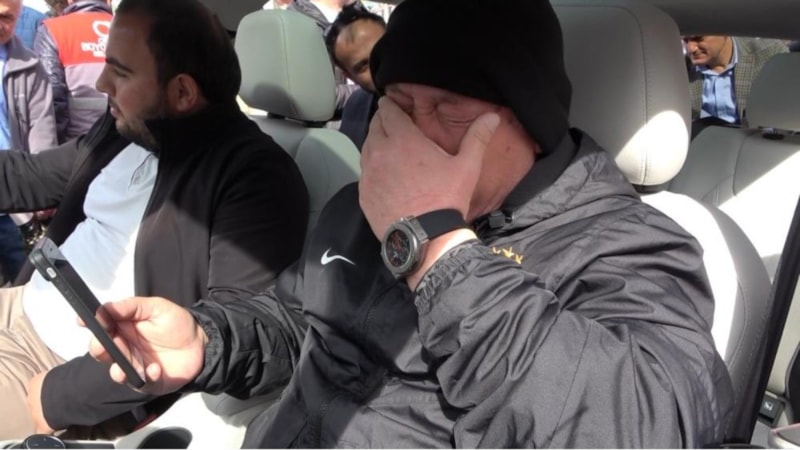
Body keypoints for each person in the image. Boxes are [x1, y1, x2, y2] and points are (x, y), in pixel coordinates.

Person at [90, 0, 733, 447]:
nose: (413, 139)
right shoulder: (363, 205)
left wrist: (440, 250)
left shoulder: (627, 247)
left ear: (532, 121)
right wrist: (209, 341)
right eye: (398, 105)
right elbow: (298, 319)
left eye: (449, 112)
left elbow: (647, 427)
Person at [0, 0, 309, 439]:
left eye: (120, 72)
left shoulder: (255, 177)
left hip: (52, 365)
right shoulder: (124, 128)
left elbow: (232, 324)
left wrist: (57, 395)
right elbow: (32, 175)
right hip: (20, 303)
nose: (101, 83)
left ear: (182, 92)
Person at [0, 0, 57, 287]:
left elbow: (42, 131)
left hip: (14, 206)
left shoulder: (30, 67)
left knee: (25, 287)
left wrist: (42, 191)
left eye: (7, 18)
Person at [33, 0, 113, 143]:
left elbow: (52, 95)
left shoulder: (54, 29)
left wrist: (58, 147)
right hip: (128, 143)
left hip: (79, 144)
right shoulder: (128, 29)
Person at [684, 35, 787, 127]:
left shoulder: (769, 54)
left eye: (698, 38)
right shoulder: (681, 66)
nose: (691, 49)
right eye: (686, 40)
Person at [323, 2, 383, 149]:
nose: (380, 65)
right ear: (349, 76)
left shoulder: (436, 91)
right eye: (364, 65)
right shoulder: (355, 108)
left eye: (382, 49)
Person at [288, 0, 358, 115]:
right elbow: (316, 97)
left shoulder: (359, 14)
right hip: (337, 121)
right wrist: (373, 91)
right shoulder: (299, 27)